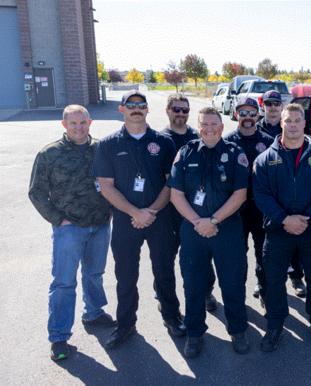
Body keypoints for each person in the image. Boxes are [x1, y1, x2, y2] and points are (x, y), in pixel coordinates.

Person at [93, 91, 184, 349]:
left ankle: (171, 316)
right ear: (121, 109)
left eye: (141, 105)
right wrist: (135, 212)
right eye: (131, 105)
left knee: (164, 270)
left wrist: (151, 211)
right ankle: (125, 324)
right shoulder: (108, 144)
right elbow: (106, 186)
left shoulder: (164, 142)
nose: (136, 109)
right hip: (125, 220)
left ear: (147, 110)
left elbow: (171, 183)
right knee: (125, 274)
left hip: (160, 218)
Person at [29, 105, 115, 361]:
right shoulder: (49, 154)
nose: (79, 127)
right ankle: (58, 336)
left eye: (83, 123)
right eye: (73, 123)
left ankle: (94, 312)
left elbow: (113, 182)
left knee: (94, 273)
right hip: (69, 229)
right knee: (64, 282)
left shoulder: (102, 149)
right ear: (64, 125)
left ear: (90, 122)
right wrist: (58, 219)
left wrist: (112, 210)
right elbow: (36, 192)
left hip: (100, 225)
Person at [253, 103, 311, 352]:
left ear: (304, 123)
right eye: (288, 121)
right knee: (274, 279)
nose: (292, 125)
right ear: (281, 123)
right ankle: (275, 323)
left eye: (297, 120)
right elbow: (261, 195)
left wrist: (306, 218)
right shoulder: (265, 159)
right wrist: (284, 219)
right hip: (278, 230)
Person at [169, 107, 250, 358]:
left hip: (227, 229)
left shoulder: (236, 153)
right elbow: (176, 194)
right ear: (199, 125)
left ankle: (238, 330)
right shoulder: (185, 152)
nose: (210, 128)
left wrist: (213, 220)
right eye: (205, 124)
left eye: (215, 124)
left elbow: (240, 195)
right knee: (193, 283)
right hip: (193, 230)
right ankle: (195, 334)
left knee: (233, 282)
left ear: (222, 127)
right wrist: (197, 221)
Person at [160, 94, 218, 312]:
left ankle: (206, 292)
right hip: (169, 210)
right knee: (167, 258)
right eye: (176, 109)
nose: (181, 114)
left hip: (197, 210)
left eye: (185, 110)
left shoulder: (198, 136)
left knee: (203, 256)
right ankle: (164, 297)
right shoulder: (159, 139)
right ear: (168, 110)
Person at [224, 98, 274, 307]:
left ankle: (265, 293)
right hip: (235, 210)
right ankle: (237, 300)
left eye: (251, 113)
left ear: (258, 115)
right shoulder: (226, 142)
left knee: (264, 255)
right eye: (242, 113)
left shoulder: (269, 141)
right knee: (236, 258)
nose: (247, 117)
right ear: (236, 114)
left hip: (262, 208)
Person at [257, 90, 307, 297]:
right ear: (264, 106)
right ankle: (263, 283)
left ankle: (296, 278)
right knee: (265, 246)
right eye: (269, 104)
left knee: (295, 245)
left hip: (292, 200)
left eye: (276, 104)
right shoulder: (256, 130)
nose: (273, 107)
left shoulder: (291, 128)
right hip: (267, 202)